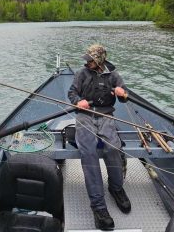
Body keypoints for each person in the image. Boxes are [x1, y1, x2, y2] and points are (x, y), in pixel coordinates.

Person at [68, 44, 131, 231]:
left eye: (90, 59)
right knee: (89, 152)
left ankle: (116, 188)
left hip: (106, 116)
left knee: (113, 148)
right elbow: (72, 92)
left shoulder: (114, 75)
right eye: (87, 59)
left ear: (99, 61)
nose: (87, 62)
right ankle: (98, 206)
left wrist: (123, 94)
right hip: (84, 116)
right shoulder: (81, 73)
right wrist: (78, 102)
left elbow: (125, 97)